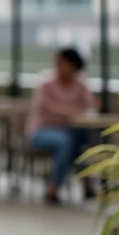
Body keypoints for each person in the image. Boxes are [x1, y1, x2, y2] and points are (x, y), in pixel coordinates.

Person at [26, 47, 99, 204]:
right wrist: (72, 112)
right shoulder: (46, 84)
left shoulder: (80, 83)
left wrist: (74, 112)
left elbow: (91, 106)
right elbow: (48, 107)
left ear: (73, 66)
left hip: (70, 131)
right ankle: (57, 186)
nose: (59, 66)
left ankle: (84, 183)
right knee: (67, 141)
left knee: (81, 139)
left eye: (63, 63)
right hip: (41, 131)